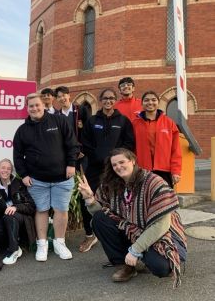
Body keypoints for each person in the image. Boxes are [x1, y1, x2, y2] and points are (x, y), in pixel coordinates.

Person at [77, 148, 187, 287]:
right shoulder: (110, 185)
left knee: (161, 267)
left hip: (160, 233)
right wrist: (90, 199)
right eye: (114, 165)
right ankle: (125, 266)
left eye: (122, 162)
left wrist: (135, 250)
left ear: (133, 161)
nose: (118, 167)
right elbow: (103, 216)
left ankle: (143, 256)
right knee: (99, 219)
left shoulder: (153, 183)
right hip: (132, 229)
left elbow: (161, 225)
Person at [13, 93, 79, 262]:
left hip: (62, 178)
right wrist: (24, 175)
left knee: (61, 210)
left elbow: (72, 144)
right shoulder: (22, 130)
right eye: (31, 106)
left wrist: (71, 163)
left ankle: (59, 243)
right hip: (37, 180)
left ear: (44, 105)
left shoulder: (59, 121)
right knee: (41, 210)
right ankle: (42, 244)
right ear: (27, 108)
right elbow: (18, 156)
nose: (34, 108)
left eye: (37, 105)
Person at [79, 88, 135, 253]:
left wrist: (117, 160)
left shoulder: (123, 121)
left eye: (111, 98)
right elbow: (85, 142)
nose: (108, 101)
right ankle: (90, 235)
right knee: (87, 199)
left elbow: (129, 144)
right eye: (105, 98)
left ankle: (118, 232)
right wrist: (97, 156)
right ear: (100, 100)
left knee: (118, 200)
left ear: (115, 100)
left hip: (116, 169)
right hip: (95, 168)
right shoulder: (92, 120)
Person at [0, 158, 36, 265]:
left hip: (21, 218)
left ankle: (13, 250)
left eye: (9, 168)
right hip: (4, 219)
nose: (6, 170)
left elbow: (31, 206)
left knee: (10, 215)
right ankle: (14, 245)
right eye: (3, 168)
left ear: (11, 171)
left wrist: (16, 207)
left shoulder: (19, 184)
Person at [132, 91, 181, 187]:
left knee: (164, 200)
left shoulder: (169, 123)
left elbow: (176, 150)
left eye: (153, 100)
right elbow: (131, 149)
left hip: (164, 170)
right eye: (146, 100)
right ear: (142, 104)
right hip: (142, 170)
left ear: (158, 103)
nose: (150, 102)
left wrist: (176, 171)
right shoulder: (135, 124)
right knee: (143, 200)